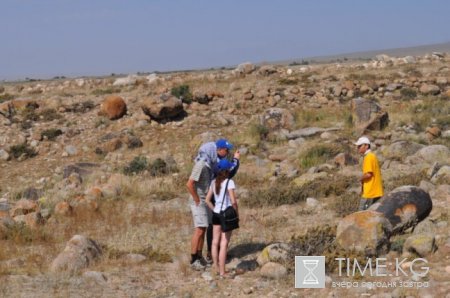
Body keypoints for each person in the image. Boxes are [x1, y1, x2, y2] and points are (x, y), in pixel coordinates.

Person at [186, 138, 239, 270]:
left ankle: (200, 256)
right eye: (226, 150)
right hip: (199, 200)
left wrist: (236, 161)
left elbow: (226, 172)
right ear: (218, 150)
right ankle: (193, 259)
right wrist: (197, 199)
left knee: (204, 228)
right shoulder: (201, 164)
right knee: (199, 229)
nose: (228, 152)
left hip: (204, 200)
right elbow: (189, 184)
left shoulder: (210, 164)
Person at [205, 159, 238, 278]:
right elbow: (233, 201)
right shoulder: (229, 182)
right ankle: (223, 272)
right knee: (224, 243)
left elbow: (207, 200)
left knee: (215, 242)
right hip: (226, 214)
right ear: (228, 170)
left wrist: (214, 209)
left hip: (216, 214)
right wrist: (236, 213)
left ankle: (216, 267)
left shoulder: (214, 182)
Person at [355, 136, 384, 210]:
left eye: (360, 146)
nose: (358, 148)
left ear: (367, 146)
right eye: (358, 146)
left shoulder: (368, 157)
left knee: (361, 214)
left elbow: (368, 174)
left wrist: (360, 179)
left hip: (369, 192)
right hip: (376, 191)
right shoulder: (372, 156)